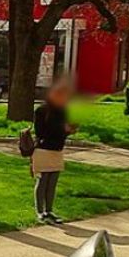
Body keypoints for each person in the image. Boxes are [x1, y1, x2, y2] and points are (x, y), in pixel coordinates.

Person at [31, 79, 77, 224]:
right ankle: (40, 211)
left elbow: (65, 130)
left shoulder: (64, 111)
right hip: (43, 149)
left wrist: (69, 130)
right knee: (43, 180)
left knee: (52, 183)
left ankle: (49, 210)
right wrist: (62, 129)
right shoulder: (42, 110)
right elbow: (40, 131)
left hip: (57, 149)